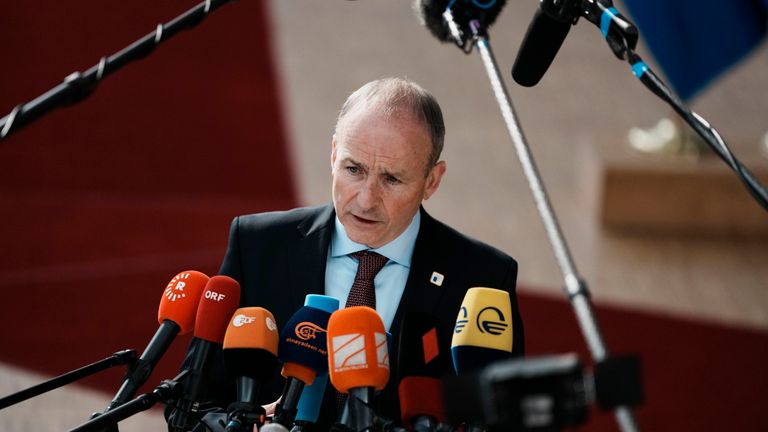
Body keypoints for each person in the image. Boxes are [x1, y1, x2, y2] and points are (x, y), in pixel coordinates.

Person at [170, 77, 524, 430]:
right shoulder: (259, 245)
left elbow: (505, 421)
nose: (367, 200)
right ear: (334, 154)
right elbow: (190, 404)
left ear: (432, 180)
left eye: (392, 179)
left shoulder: (483, 277)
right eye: (354, 170)